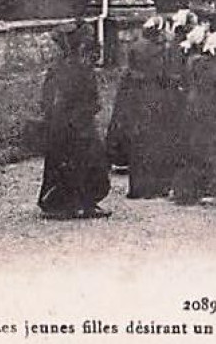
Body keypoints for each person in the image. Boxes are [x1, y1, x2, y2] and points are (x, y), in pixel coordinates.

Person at [38, 21, 110, 219]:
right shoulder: (79, 68)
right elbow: (89, 98)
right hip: (78, 123)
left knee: (68, 161)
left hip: (64, 123)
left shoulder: (59, 67)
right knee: (86, 161)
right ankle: (81, 203)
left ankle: (69, 203)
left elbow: (47, 97)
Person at [173, 30, 216, 205]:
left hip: (194, 110)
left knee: (195, 148)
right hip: (214, 114)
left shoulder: (196, 63)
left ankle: (189, 188)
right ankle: (214, 187)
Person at [126, 16, 179, 199]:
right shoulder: (159, 51)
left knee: (139, 142)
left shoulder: (135, 47)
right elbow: (165, 75)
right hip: (155, 98)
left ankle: (137, 187)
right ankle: (154, 186)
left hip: (137, 98)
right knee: (156, 143)